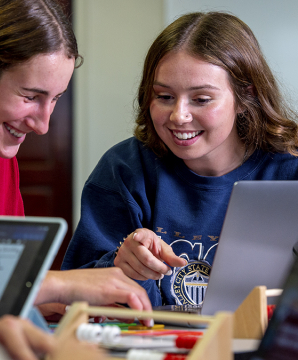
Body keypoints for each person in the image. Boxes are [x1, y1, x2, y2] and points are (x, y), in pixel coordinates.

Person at [0, 0, 151, 358]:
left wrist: (36, 302)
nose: (43, 124)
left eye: (54, 99)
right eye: (30, 97)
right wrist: (54, 284)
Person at [62, 11, 298, 307]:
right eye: (164, 96)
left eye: (201, 99)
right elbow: (68, 296)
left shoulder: (290, 171)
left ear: (244, 97)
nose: (179, 116)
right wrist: (121, 265)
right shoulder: (123, 169)